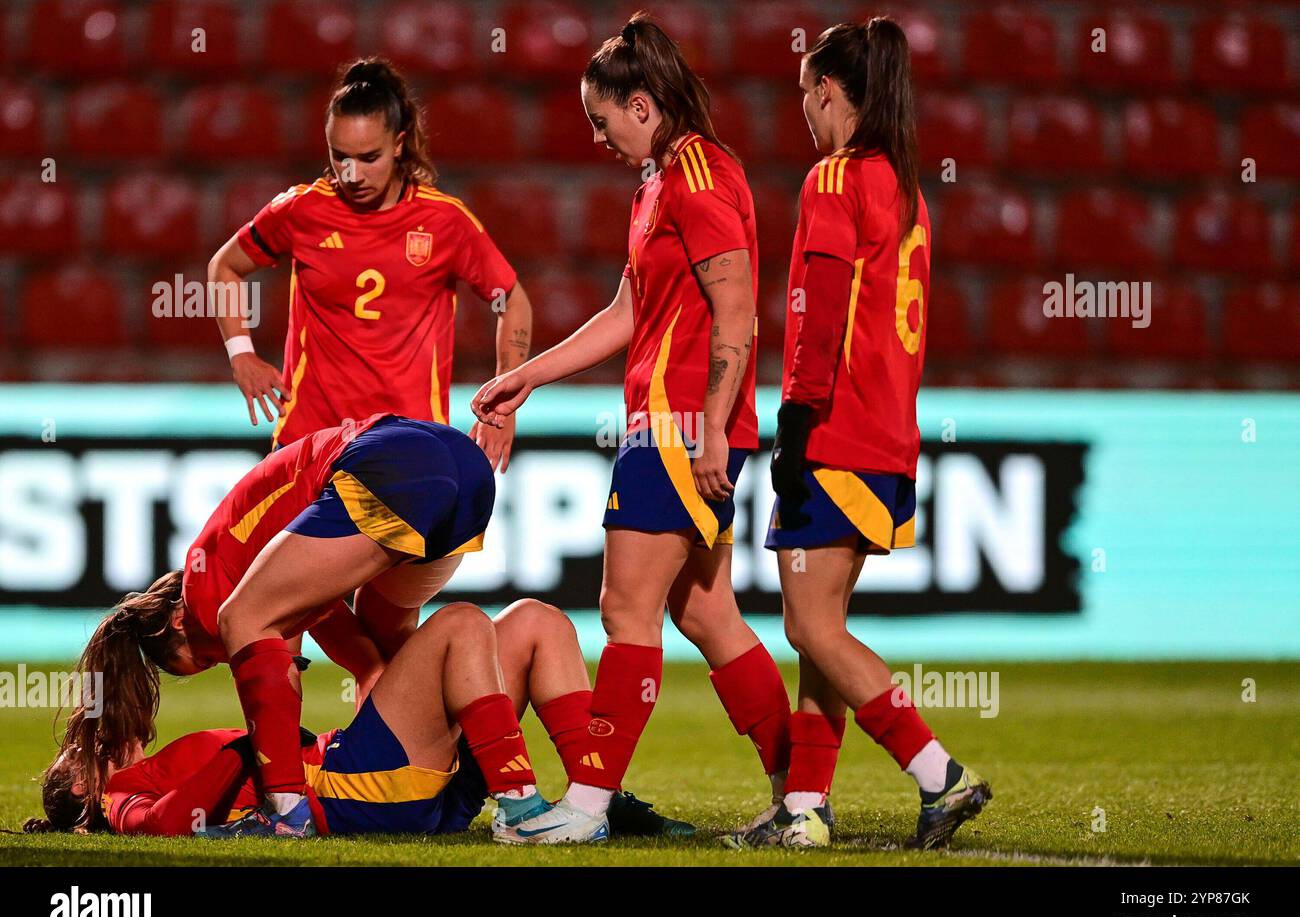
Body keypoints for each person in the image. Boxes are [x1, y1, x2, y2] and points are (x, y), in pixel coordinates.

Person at [471, 13, 792, 842]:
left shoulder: (700, 177)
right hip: (673, 422)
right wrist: (524, 377)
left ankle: (586, 808)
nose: (597, 135)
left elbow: (737, 310)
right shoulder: (659, 184)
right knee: (707, 615)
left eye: (602, 118)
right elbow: (628, 311)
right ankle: (801, 795)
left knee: (624, 611)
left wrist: (712, 426)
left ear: (642, 103)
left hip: (681, 427)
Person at [35, 412, 563, 839]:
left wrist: (257, 758)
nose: (231, 661)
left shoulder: (207, 590)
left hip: (388, 463)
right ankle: (572, 799)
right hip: (453, 469)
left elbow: (333, 658)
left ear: (179, 619)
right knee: (505, 624)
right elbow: (362, 660)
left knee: (501, 623)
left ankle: (284, 812)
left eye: (207, 656)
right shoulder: (121, 796)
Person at [732, 19, 990, 850]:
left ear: (830, 93)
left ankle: (938, 774)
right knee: (823, 634)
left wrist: (795, 420)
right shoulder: (906, 187)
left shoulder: (834, 180)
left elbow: (818, 310)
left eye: (807, 95)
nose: (803, 111)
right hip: (886, 437)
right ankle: (806, 810)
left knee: (810, 629)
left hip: (835, 432)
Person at [28, 600, 683, 843]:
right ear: (81, 792)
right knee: (459, 625)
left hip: (387, 787)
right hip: (353, 790)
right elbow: (172, 823)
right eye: (70, 764)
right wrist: (260, 747)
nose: (78, 749)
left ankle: (589, 801)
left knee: (539, 622)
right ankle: (520, 810)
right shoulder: (118, 800)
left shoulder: (146, 768)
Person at [208, 57, 531, 472]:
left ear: (398, 144)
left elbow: (512, 300)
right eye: (340, 156)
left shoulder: (444, 222)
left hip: (409, 449)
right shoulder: (301, 211)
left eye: (368, 157)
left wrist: (503, 402)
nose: (352, 173)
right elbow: (224, 267)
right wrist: (241, 354)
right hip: (306, 444)